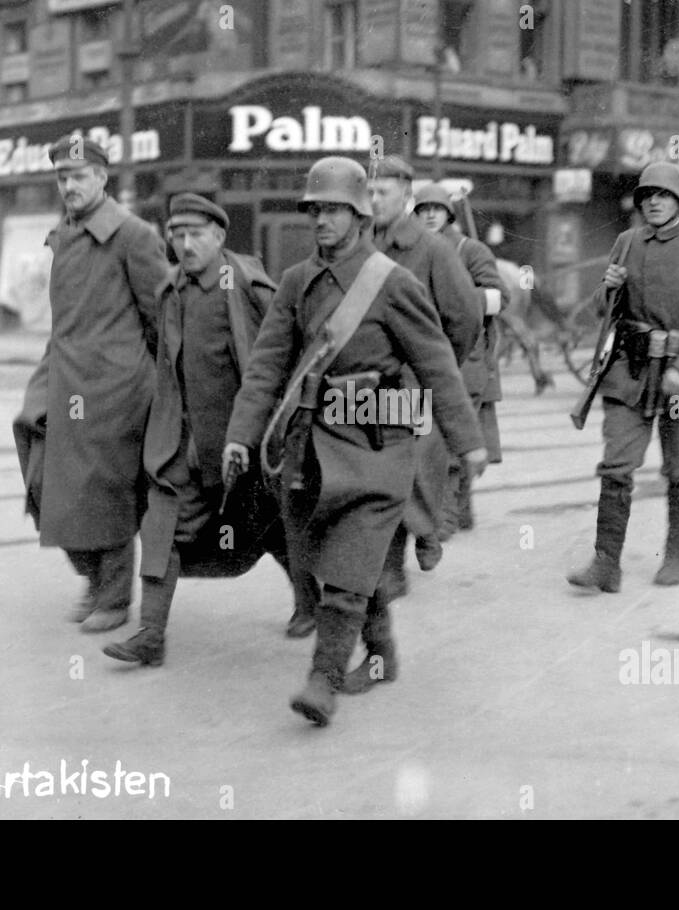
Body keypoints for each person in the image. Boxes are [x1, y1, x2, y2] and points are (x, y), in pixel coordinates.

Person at [223, 156, 488, 726]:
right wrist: (241, 437)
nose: (320, 219)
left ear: (360, 215)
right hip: (310, 448)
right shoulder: (296, 282)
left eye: (333, 210)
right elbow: (267, 368)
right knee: (325, 561)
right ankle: (382, 646)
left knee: (351, 563)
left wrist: (467, 443)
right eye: (314, 209)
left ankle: (323, 679)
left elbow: (438, 362)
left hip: (377, 444)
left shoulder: (393, 283)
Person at [102, 193, 319, 666]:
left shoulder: (246, 283)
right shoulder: (169, 290)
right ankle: (151, 636)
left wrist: (278, 428)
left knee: (273, 527)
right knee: (162, 525)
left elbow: (284, 352)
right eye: (176, 235)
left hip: (245, 440)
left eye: (195, 234)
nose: (184, 244)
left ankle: (309, 602)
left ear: (219, 237)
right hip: (184, 444)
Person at [12, 135, 168, 632]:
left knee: (105, 487)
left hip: (113, 384)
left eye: (79, 176)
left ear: (102, 177)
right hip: (63, 371)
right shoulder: (64, 232)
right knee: (44, 467)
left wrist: (140, 375)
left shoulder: (133, 234)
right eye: (62, 177)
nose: (70, 186)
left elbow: (160, 315)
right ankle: (93, 576)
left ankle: (115, 596)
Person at [567, 161, 679, 592]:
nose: (653, 202)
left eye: (663, 195)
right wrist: (610, 286)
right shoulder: (626, 242)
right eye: (647, 196)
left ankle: (675, 555)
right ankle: (606, 563)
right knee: (616, 464)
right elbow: (604, 310)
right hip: (630, 372)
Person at [367, 155, 483, 584]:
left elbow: (465, 316)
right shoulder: (358, 244)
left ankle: (419, 536)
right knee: (373, 472)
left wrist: (434, 365)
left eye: (383, 191)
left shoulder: (432, 249)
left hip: (414, 380)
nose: (374, 199)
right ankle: (400, 549)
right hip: (365, 387)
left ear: (406, 195)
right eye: (369, 191)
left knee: (414, 468)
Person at [413, 183, 508, 533]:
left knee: (454, 438)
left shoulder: (471, 250)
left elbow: (500, 297)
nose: (430, 216)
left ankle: (448, 515)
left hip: (465, 357)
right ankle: (459, 510)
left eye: (437, 210)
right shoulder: (411, 251)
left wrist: (457, 302)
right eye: (423, 210)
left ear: (449, 214)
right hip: (424, 356)